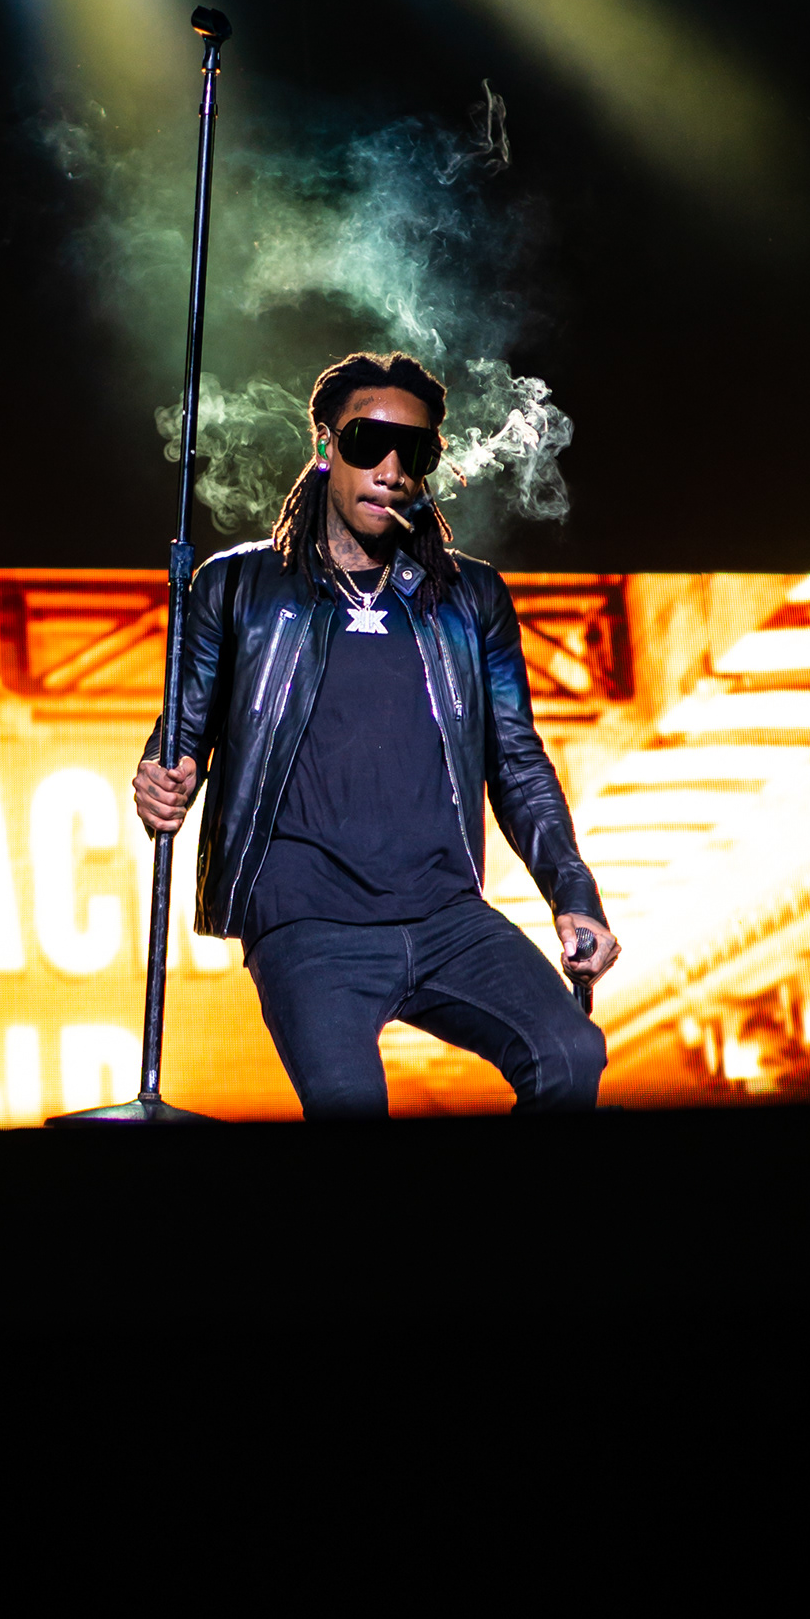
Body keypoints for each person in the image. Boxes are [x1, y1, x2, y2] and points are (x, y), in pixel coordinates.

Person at [132, 350, 620, 1116]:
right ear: (326, 446)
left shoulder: (469, 597)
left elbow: (517, 761)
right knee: (350, 1105)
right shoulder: (236, 586)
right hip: (307, 925)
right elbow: (178, 738)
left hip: (446, 918)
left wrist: (574, 893)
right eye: (367, 443)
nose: (389, 470)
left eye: (413, 453)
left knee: (569, 1052)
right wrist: (162, 783)